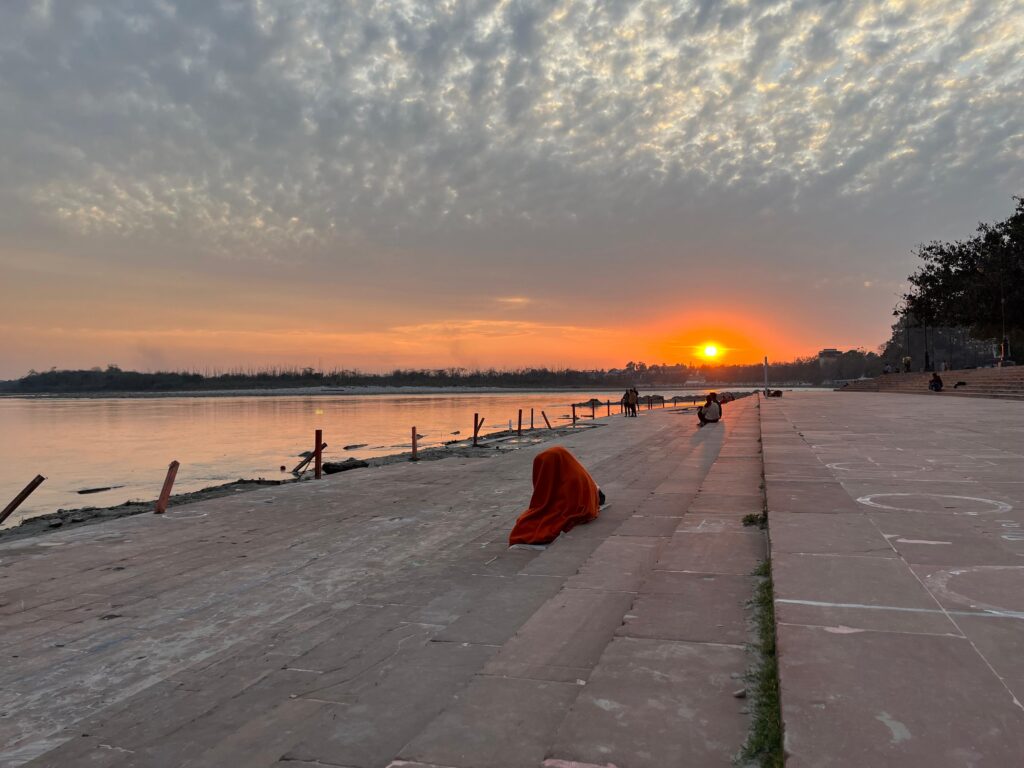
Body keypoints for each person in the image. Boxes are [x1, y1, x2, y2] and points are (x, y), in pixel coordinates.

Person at [508, 446, 602, 546]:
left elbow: (563, 506)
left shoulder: (570, 480)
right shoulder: (571, 470)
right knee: (529, 520)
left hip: (585, 503)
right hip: (594, 496)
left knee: (528, 525)